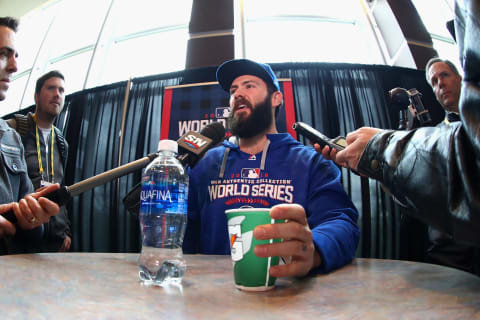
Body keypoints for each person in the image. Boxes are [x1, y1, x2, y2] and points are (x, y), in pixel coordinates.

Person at [316, 0, 480, 247]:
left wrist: (379, 150)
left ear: (461, 75)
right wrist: (380, 169)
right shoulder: (435, 133)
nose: (440, 84)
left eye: (444, 75)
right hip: (451, 258)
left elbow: (472, 166)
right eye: (433, 81)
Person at [183, 58, 360, 277]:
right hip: (212, 295)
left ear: (276, 98)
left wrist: (314, 249)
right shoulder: (206, 163)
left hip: (287, 294)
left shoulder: (310, 162)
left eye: (249, 86)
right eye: (233, 90)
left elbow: (340, 221)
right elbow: (183, 231)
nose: (237, 94)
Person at [0, 16, 60, 254]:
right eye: (4, 53)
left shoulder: (11, 139)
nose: (14, 66)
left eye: (16, 56)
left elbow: (32, 235)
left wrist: (32, 221)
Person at [7, 71, 71, 252]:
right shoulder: (13, 130)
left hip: (55, 241)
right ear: (36, 96)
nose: (57, 94)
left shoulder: (61, 143)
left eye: (61, 90)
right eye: (51, 88)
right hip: (20, 238)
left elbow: (62, 187)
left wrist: (65, 231)